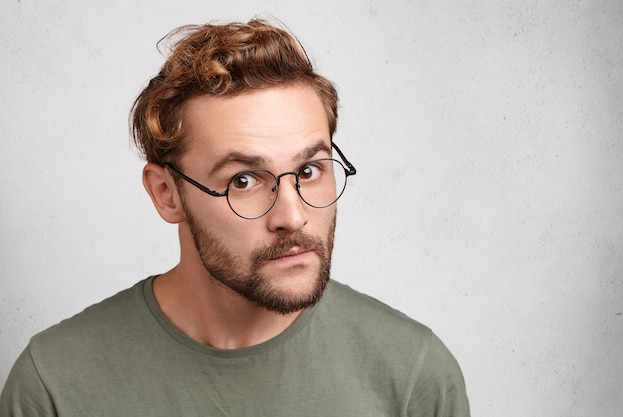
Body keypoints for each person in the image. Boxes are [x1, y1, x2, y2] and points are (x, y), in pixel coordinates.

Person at [0, 19, 470, 416]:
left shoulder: (413, 377)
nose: (293, 215)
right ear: (167, 194)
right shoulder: (54, 385)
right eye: (243, 180)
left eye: (308, 171)